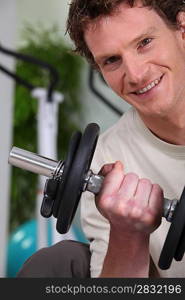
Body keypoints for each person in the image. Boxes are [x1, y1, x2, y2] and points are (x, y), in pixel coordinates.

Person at [17, 0, 185, 278]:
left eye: (144, 42)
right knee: (55, 264)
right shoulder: (106, 160)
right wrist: (127, 235)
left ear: (181, 28)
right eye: (111, 60)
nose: (135, 74)